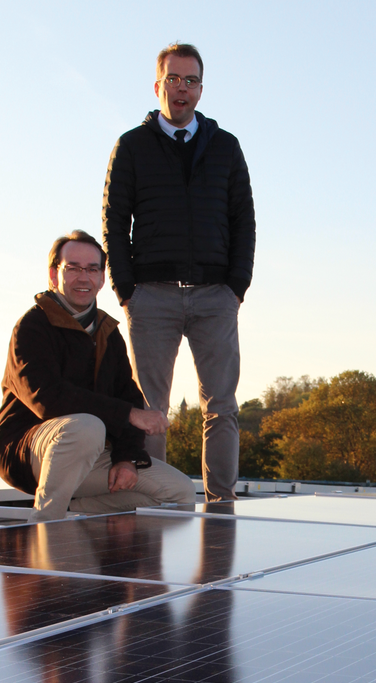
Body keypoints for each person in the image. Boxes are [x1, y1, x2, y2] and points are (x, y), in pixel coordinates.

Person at [102, 42, 256, 501]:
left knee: (222, 407)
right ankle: (158, 504)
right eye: (174, 79)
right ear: (158, 85)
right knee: (151, 410)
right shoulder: (131, 146)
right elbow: (114, 219)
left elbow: (243, 219)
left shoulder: (226, 147)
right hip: (152, 295)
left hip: (215, 295)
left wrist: (236, 286)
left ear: (202, 90)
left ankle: (221, 504)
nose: (182, 88)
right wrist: (127, 288)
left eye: (191, 81)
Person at [0, 230, 196, 521]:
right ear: (54, 275)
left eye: (92, 269)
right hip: (29, 450)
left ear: (102, 278)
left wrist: (126, 458)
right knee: (87, 427)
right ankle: (44, 530)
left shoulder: (108, 334)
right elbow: (47, 399)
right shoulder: (32, 326)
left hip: (93, 452)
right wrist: (127, 414)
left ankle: (79, 522)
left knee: (180, 493)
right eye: (72, 268)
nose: (83, 277)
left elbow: (129, 397)